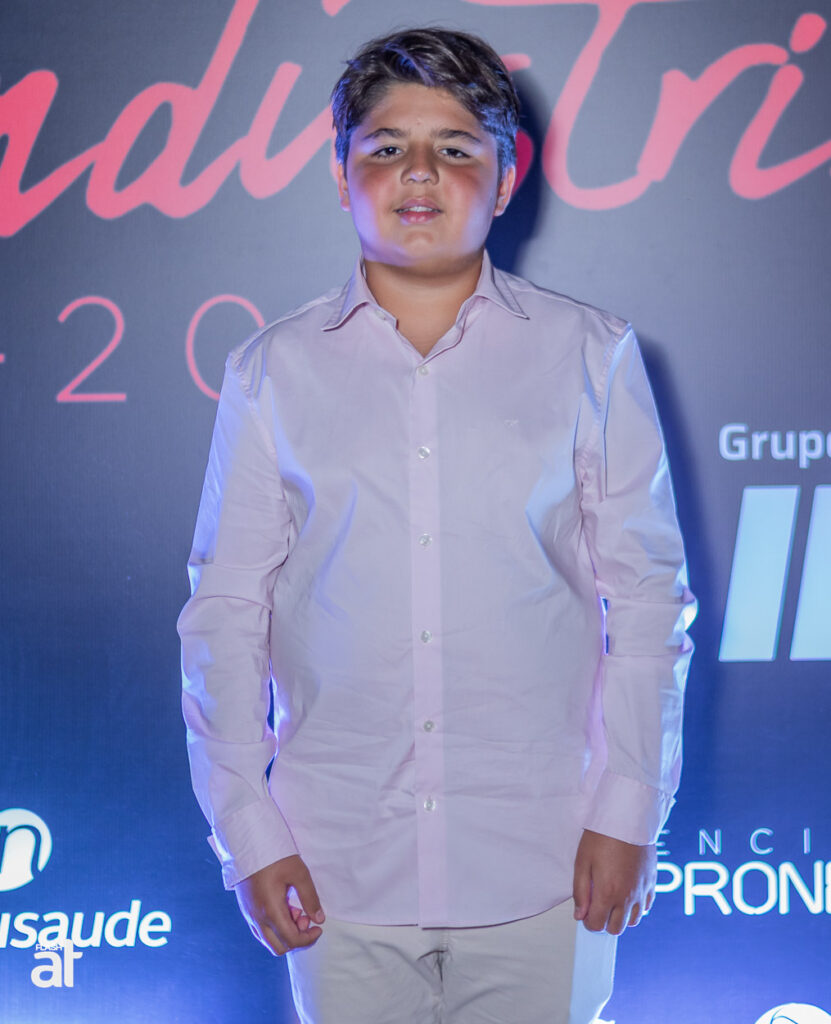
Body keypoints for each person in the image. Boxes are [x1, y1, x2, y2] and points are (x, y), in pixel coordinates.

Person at [178, 26, 696, 1024]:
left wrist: (630, 808)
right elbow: (225, 616)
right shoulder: (269, 372)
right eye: (386, 146)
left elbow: (646, 603)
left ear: (504, 179)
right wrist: (248, 829)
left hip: (548, 862)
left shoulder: (592, 354)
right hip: (334, 866)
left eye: (455, 147)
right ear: (341, 173)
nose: (419, 172)